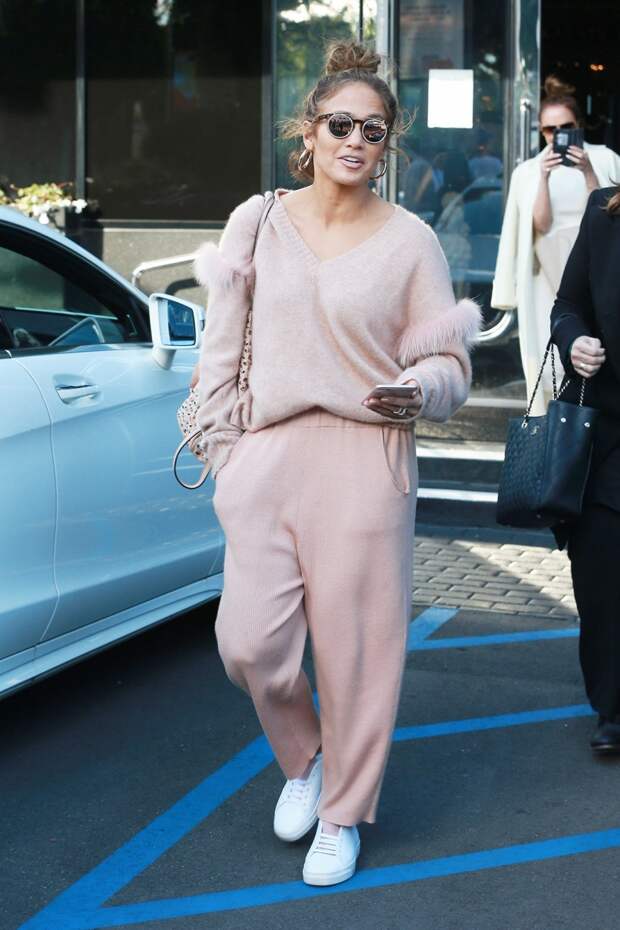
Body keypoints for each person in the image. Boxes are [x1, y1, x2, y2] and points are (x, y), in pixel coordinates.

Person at [191, 41, 481, 887]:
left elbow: (450, 363)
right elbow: (220, 351)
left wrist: (420, 389)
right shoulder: (257, 221)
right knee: (249, 644)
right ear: (308, 130)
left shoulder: (412, 242)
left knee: (356, 654)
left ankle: (343, 813)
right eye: (341, 125)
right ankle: (307, 759)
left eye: (374, 130)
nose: (356, 141)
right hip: (268, 454)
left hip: (366, 455)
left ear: (389, 145)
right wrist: (225, 455)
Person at [492, 76, 620, 414]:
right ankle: (554, 437)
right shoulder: (528, 171)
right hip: (545, 280)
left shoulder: (606, 159)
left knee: (600, 362)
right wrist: (544, 178)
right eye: (550, 130)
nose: (558, 135)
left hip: (598, 275)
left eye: (566, 128)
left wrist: (587, 171)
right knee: (550, 366)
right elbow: (538, 225)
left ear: (578, 126)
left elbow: (607, 213)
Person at [551, 185, 620, 754]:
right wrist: (574, 342)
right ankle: (613, 709)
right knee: (600, 576)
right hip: (607, 436)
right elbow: (566, 304)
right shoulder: (605, 212)